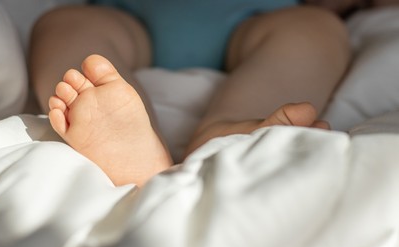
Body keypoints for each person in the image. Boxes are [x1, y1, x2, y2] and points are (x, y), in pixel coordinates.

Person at [29, 1, 352, 187]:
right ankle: (137, 145)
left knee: (314, 27)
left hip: (256, 17)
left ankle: (232, 128)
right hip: (130, 16)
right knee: (66, 23)